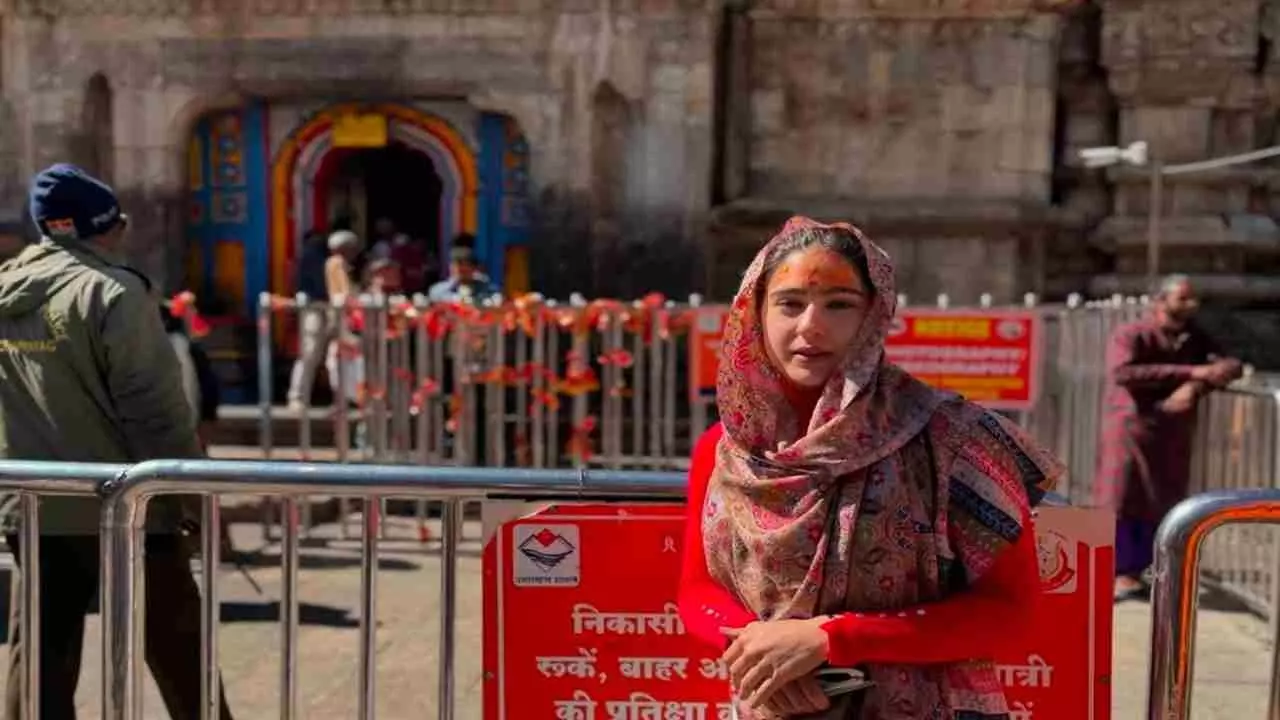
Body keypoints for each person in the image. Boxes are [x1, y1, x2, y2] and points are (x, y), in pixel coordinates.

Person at [677, 217, 1064, 720]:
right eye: (789, 303)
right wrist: (762, 652)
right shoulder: (726, 450)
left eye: (839, 304)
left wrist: (831, 639)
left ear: (874, 316)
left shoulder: (955, 439)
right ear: (755, 312)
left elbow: (1008, 612)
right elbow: (698, 590)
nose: (810, 326)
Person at [0, 163, 234, 718]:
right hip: (125, 503)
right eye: (119, 222)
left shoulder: (7, 290)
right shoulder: (113, 292)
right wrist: (192, 495)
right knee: (180, 653)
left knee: (38, 659)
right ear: (96, 226)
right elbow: (155, 411)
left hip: (33, 502)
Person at [1095, 274, 1242, 601]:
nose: (1191, 305)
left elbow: (1230, 365)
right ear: (1160, 301)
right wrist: (1191, 373)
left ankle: (1150, 572)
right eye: (1183, 299)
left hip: (1171, 435)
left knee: (1163, 501)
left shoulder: (1194, 338)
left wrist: (1194, 386)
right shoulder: (1132, 334)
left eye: (1194, 299)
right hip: (1132, 430)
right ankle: (1121, 572)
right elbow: (1124, 373)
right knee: (1124, 498)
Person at [286, 228, 332, 409]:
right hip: (317, 307)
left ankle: (298, 396)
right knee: (311, 352)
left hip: (318, 307)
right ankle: (298, 396)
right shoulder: (314, 256)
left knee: (311, 353)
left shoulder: (307, 257)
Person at [426, 234, 500, 304]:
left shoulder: (489, 292)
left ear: (475, 267)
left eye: (467, 264)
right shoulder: (437, 292)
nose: (461, 269)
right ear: (450, 266)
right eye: (457, 263)